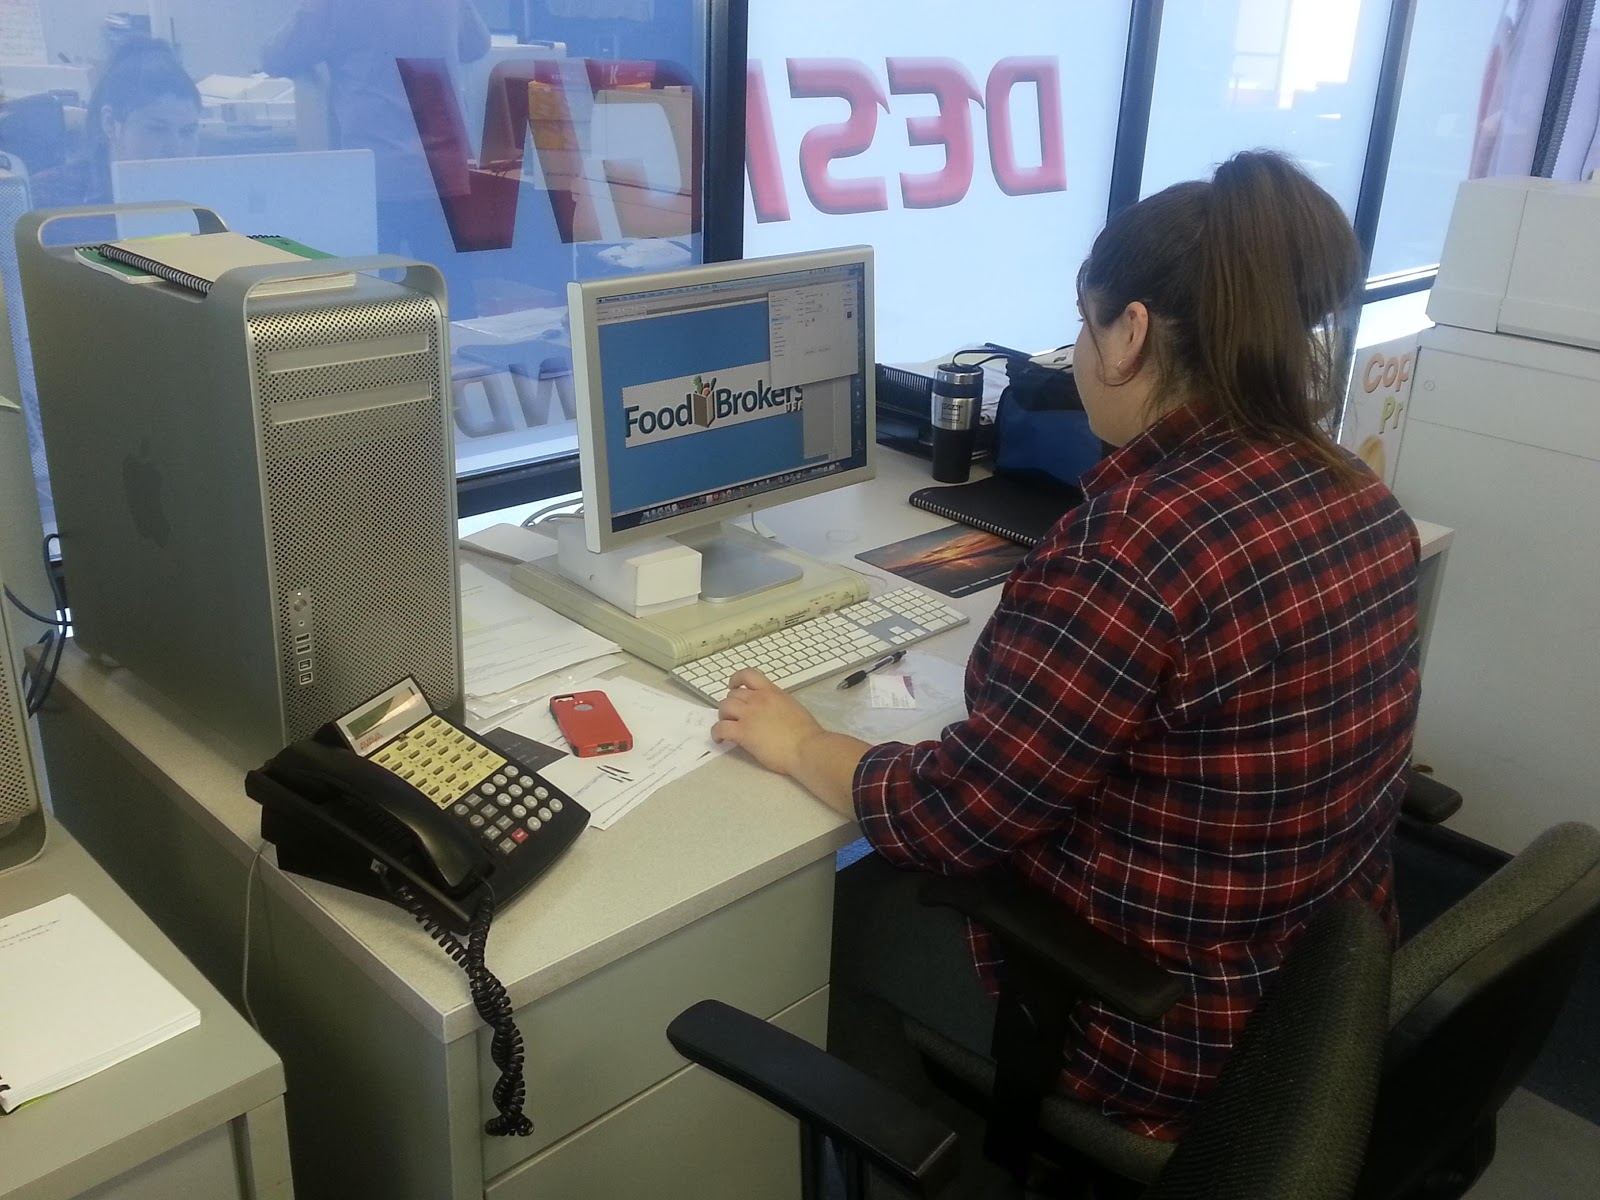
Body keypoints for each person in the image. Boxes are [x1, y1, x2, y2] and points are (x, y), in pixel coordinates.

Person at [711, 150, 1421, 1139]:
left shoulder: (1135, 546)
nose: (1077, 353)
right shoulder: (1356, 495)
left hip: (1151, 1026)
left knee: (823, 927)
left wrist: (797, 742)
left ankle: (920, 1151)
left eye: (1082, 325)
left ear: (1130, 334)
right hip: (1305, 996)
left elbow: (948, 819)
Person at [31, 38, 200, 210]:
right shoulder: (50, 195)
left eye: (187, 131)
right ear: (110, 123)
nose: (175, 148)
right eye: (157, 129)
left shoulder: (204, 189)